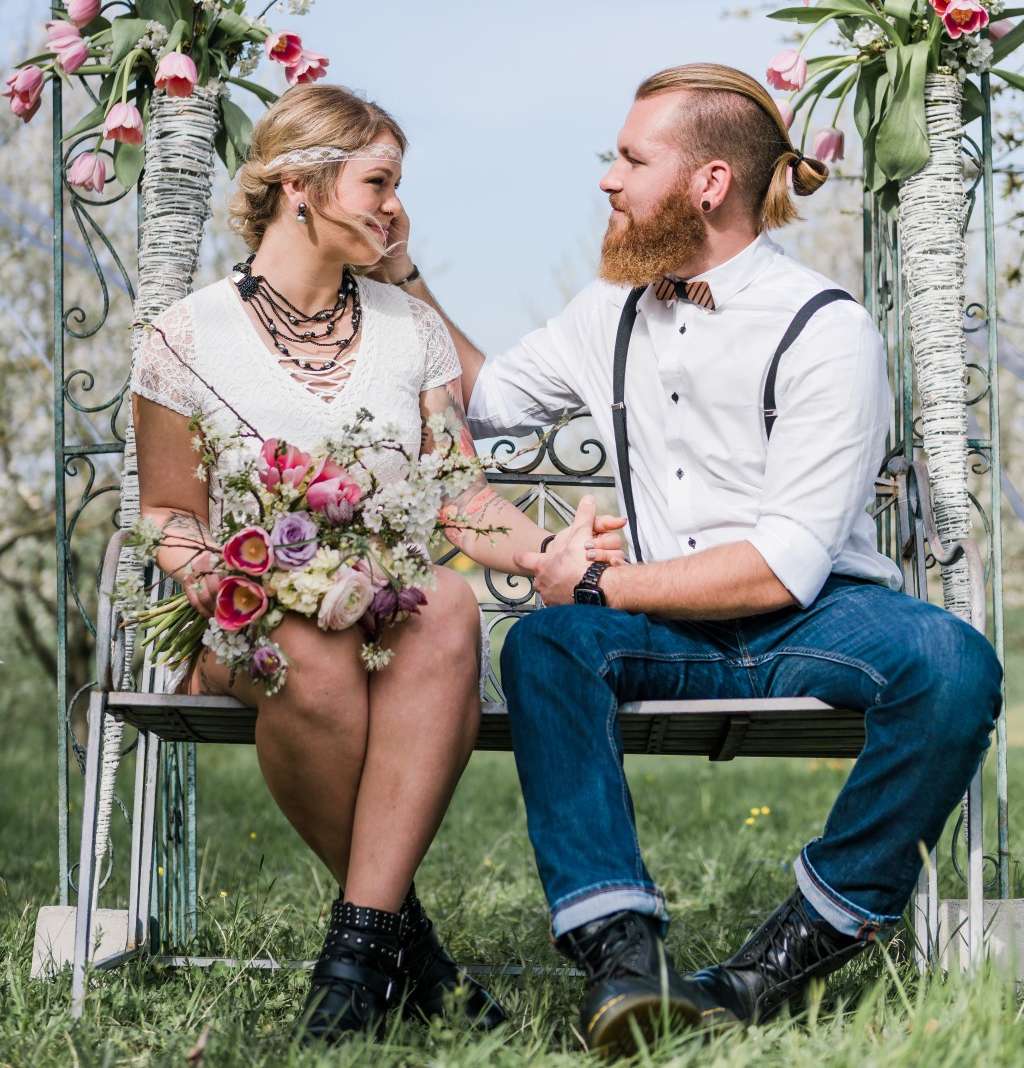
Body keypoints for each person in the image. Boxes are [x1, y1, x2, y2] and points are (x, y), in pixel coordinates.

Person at [382, 62, 1003, 1053]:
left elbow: (782, 567)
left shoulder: (826, 329)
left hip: (814, 617)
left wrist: (591, 578)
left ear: (708, 182)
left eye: (630, 159)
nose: (609, 180)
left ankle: (791, 949)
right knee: (547, 645)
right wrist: (404, 277)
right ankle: (625, 960)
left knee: (952, 662)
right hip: (663, 625)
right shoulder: (609, 309)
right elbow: (488, 397)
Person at [130, 81, 623, 1043]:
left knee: (443, 603)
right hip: (246, 621)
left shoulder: (413, 330)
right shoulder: (185, 337)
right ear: (301, 184)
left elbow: (459, 493)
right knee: (310, 653)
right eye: (379, 181)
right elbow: (168, 510)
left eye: (399, 184)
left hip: (384, 612)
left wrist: (543, 548)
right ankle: (406, 952)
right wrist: (221, 579)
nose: (396, 206)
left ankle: (360, 959)